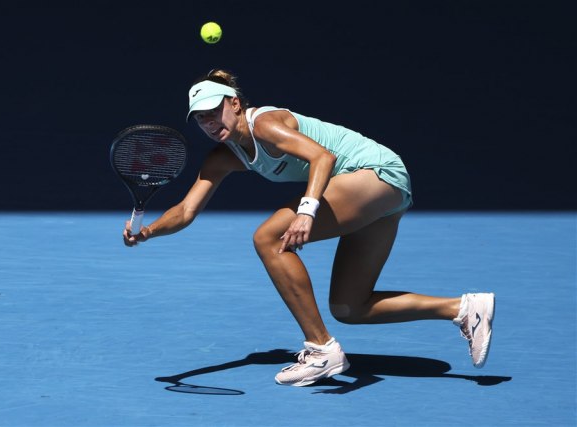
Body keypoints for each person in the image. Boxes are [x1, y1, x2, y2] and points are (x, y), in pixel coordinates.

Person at [122, 69, 495, 387]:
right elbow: (186, 210)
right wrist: (149, 231)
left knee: (268, 238)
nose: (209, 122)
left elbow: (322, 157)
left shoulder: (265, 124)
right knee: (351, 306)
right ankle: (463, 308)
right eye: (201, 118)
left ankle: (321, 349)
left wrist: (306, 211)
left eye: (214, 111)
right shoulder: (222, 157)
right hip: (382, 194)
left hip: (375, 174)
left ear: (234, 103)